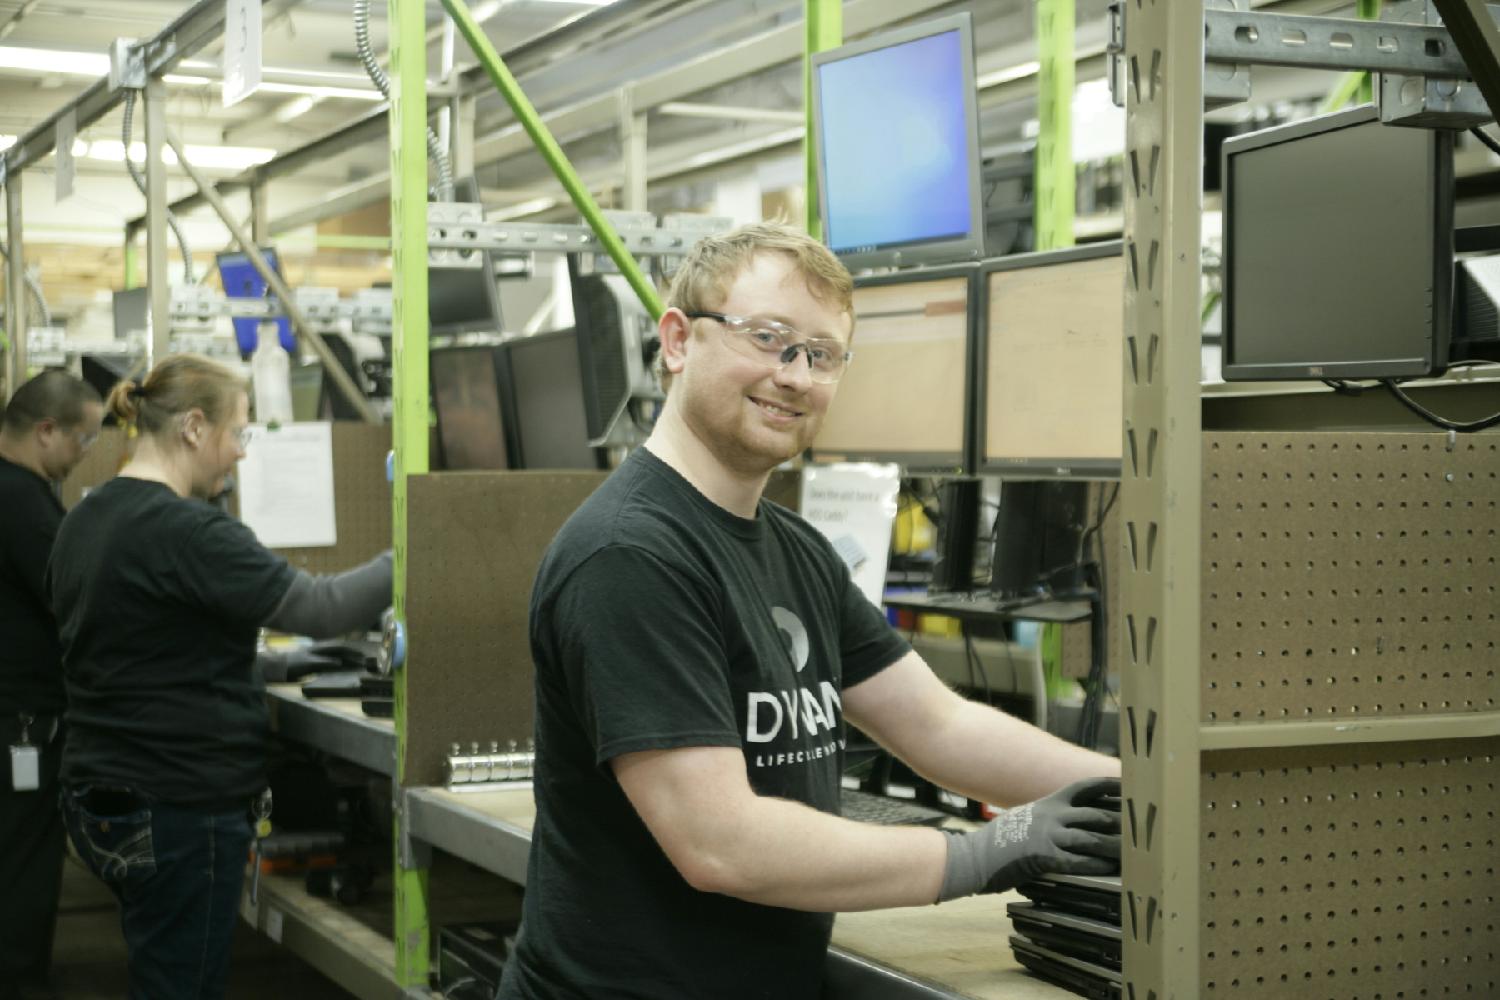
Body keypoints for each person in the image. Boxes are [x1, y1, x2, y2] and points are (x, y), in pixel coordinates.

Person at [499, 223, 1122, 1000]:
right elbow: (719, 843)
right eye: (768, 338)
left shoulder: (794, 550)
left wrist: (1137, 790)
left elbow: (938, 727)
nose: (793, 375)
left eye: (821, 354)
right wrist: (979, 854)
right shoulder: (630, 555)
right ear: (678, 341)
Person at [47, 354, 392, 1000]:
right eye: (240, 432)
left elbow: (141, 646)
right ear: (195, 428)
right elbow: (323, 608)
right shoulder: (187, 530)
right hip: (176, 805)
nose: (240, 454)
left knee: (161, 972)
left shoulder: (84, 518)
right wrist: (413, 547)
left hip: (101, 797)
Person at [0, 370, 104, 1000]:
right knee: (25, 866)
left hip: (15, 716)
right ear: (46, 432)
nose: (83, 454)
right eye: (83, 440)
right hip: (21, 728)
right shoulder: (22, 502)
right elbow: (70, 596)